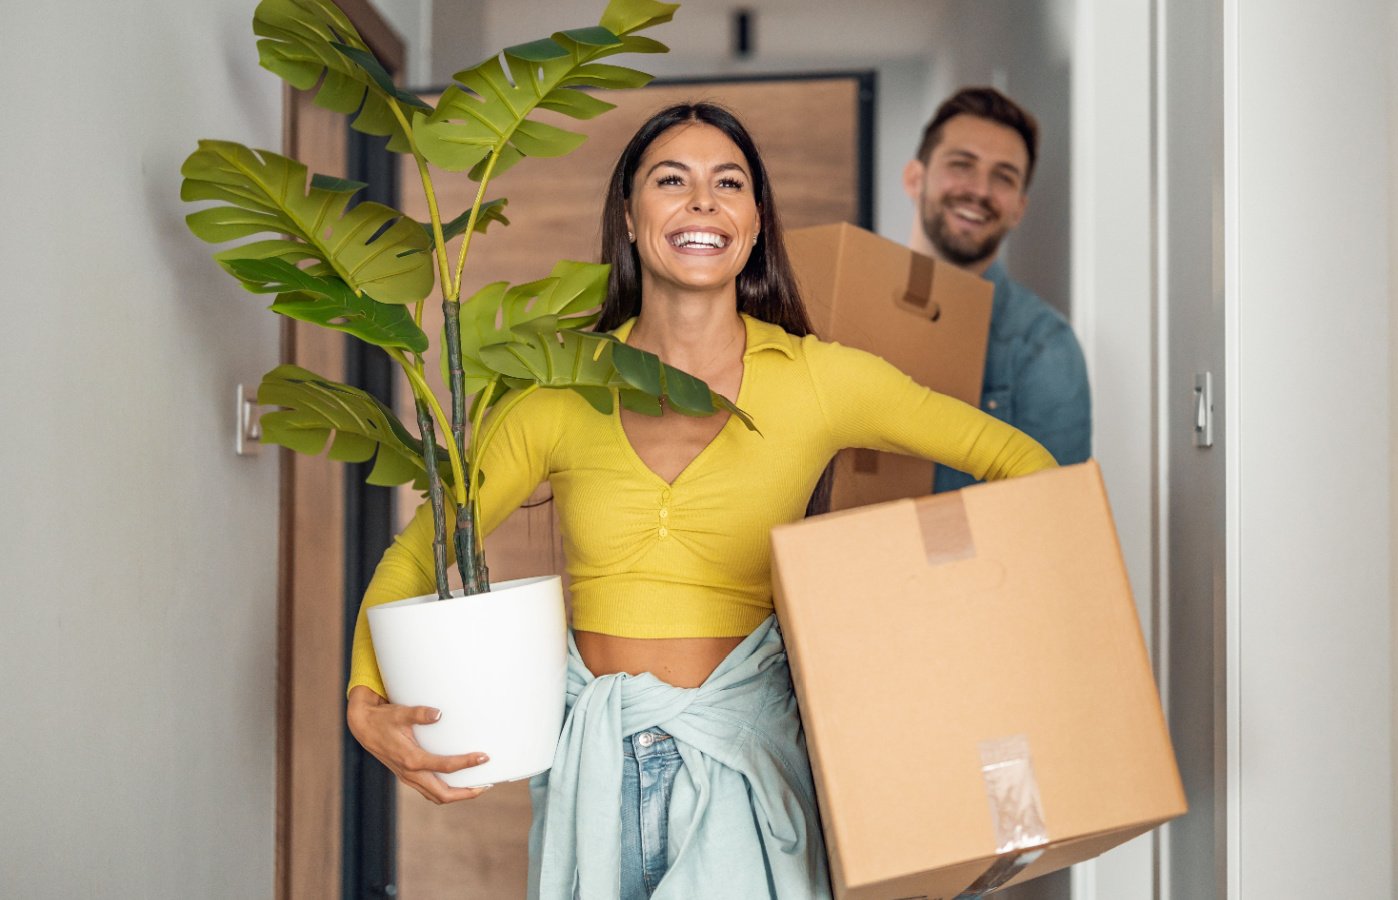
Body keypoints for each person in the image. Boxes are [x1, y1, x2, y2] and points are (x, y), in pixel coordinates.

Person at [345, 102, 1057, 900]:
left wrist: (946, 636)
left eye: (729, 183)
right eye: (670, 180)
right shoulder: (561, 391)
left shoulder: (822, 381)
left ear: (754, 224)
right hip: (596, 782)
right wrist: (365, 702)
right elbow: (426, 547)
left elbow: (1020, 463)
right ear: (629, 216)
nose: (702, 201)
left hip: (749, 776)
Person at [903, 86, 1093, 492]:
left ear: (1019, 209)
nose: (980, 190)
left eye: (1003, 177)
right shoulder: (846, 307)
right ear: (914, 179)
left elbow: (1055, 513)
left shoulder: (1043, 345)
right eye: (962, 164)